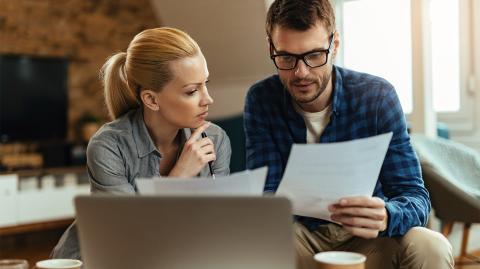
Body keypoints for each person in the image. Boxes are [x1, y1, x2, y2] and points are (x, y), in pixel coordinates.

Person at [244, 0, 453, 268]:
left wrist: (388, 216)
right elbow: (266, 199)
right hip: (300, 236)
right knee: (258, 240)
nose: (301, 72)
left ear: (335, 45)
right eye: (286, 57)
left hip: (368, 239)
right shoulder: (261, 99)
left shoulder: (377, 96)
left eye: (315, 55)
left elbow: (415, 196)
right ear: (271, 48)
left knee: (432, 246)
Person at [51, 27, 231, 259]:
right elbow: (126, 235)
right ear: (151, 99)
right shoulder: (108, 146)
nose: (208, 99)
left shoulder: (215, 139)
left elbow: (218, 223)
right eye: (192, 91)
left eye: (206, 83)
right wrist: (179, 176)